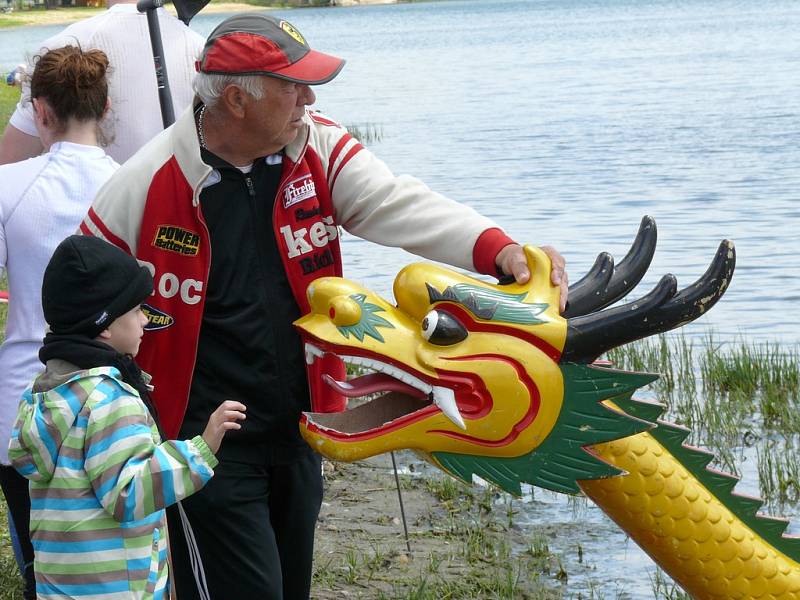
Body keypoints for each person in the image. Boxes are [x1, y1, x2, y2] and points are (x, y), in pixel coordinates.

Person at [82, 13, 568, 599]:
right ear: (236, 98)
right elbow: (81, 304)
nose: (308, 99)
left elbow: (397, 203)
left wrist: (500, 249)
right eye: (293, 86)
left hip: (304, 425)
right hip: (199, 443)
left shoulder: (317, 144)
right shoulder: (143, 183)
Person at [8, 234, 247, 600]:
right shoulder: (111, 400)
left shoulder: (45, 392)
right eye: (136, 310)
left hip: (62, 586)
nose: (145, 319)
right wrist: (201, 448)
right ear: (104, 326)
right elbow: (129, 493)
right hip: (119, 587)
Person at [0, 45, 119, 600]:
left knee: (39, 573)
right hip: (112, 406)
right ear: (106, 106)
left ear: (40, 111)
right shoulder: (133, 184)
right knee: (110, 564)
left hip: (23, 408)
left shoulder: (9, 185)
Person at [0, 0, 205, 165]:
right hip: (175, 210)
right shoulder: (202, 47)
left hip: (92, 212)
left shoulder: (63, 45)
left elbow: (9, 162)